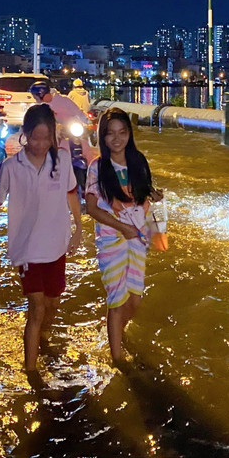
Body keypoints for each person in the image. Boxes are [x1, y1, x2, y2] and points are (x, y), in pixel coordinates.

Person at [0, 103, 82, 386]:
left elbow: (71, 194)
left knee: (53, 304)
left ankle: (42, 338)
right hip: (26, 248)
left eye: (46, 138)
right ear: (25, 134)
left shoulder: (62, 161)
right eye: (35, 138)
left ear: (54, 135)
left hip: (56, 245)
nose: (40, 144)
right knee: (37, 308)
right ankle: (31, 375)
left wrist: (78, 229)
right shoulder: (10, 167)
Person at [84, 107, 163, 362]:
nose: (116, 139)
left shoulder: (138, 161)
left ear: (129, 133)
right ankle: (117, 359)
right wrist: (122, 228)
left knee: (135, 300)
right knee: (117, 300)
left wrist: (155, 197)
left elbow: (143, 195)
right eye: (110, 134)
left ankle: (116, 332)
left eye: (122, 132)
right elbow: (92, 208)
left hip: (138, 238)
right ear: (102, 137)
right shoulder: (97, 167)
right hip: (111, 239)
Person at [29, 80, 97, 193]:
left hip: (73, 134)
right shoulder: (40, 109)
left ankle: (93, 185)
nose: (35, 98)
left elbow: (79, 113)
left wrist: (88, 122)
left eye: (36, 96)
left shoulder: (64, 100)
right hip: (55, 138)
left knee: (88, 153)